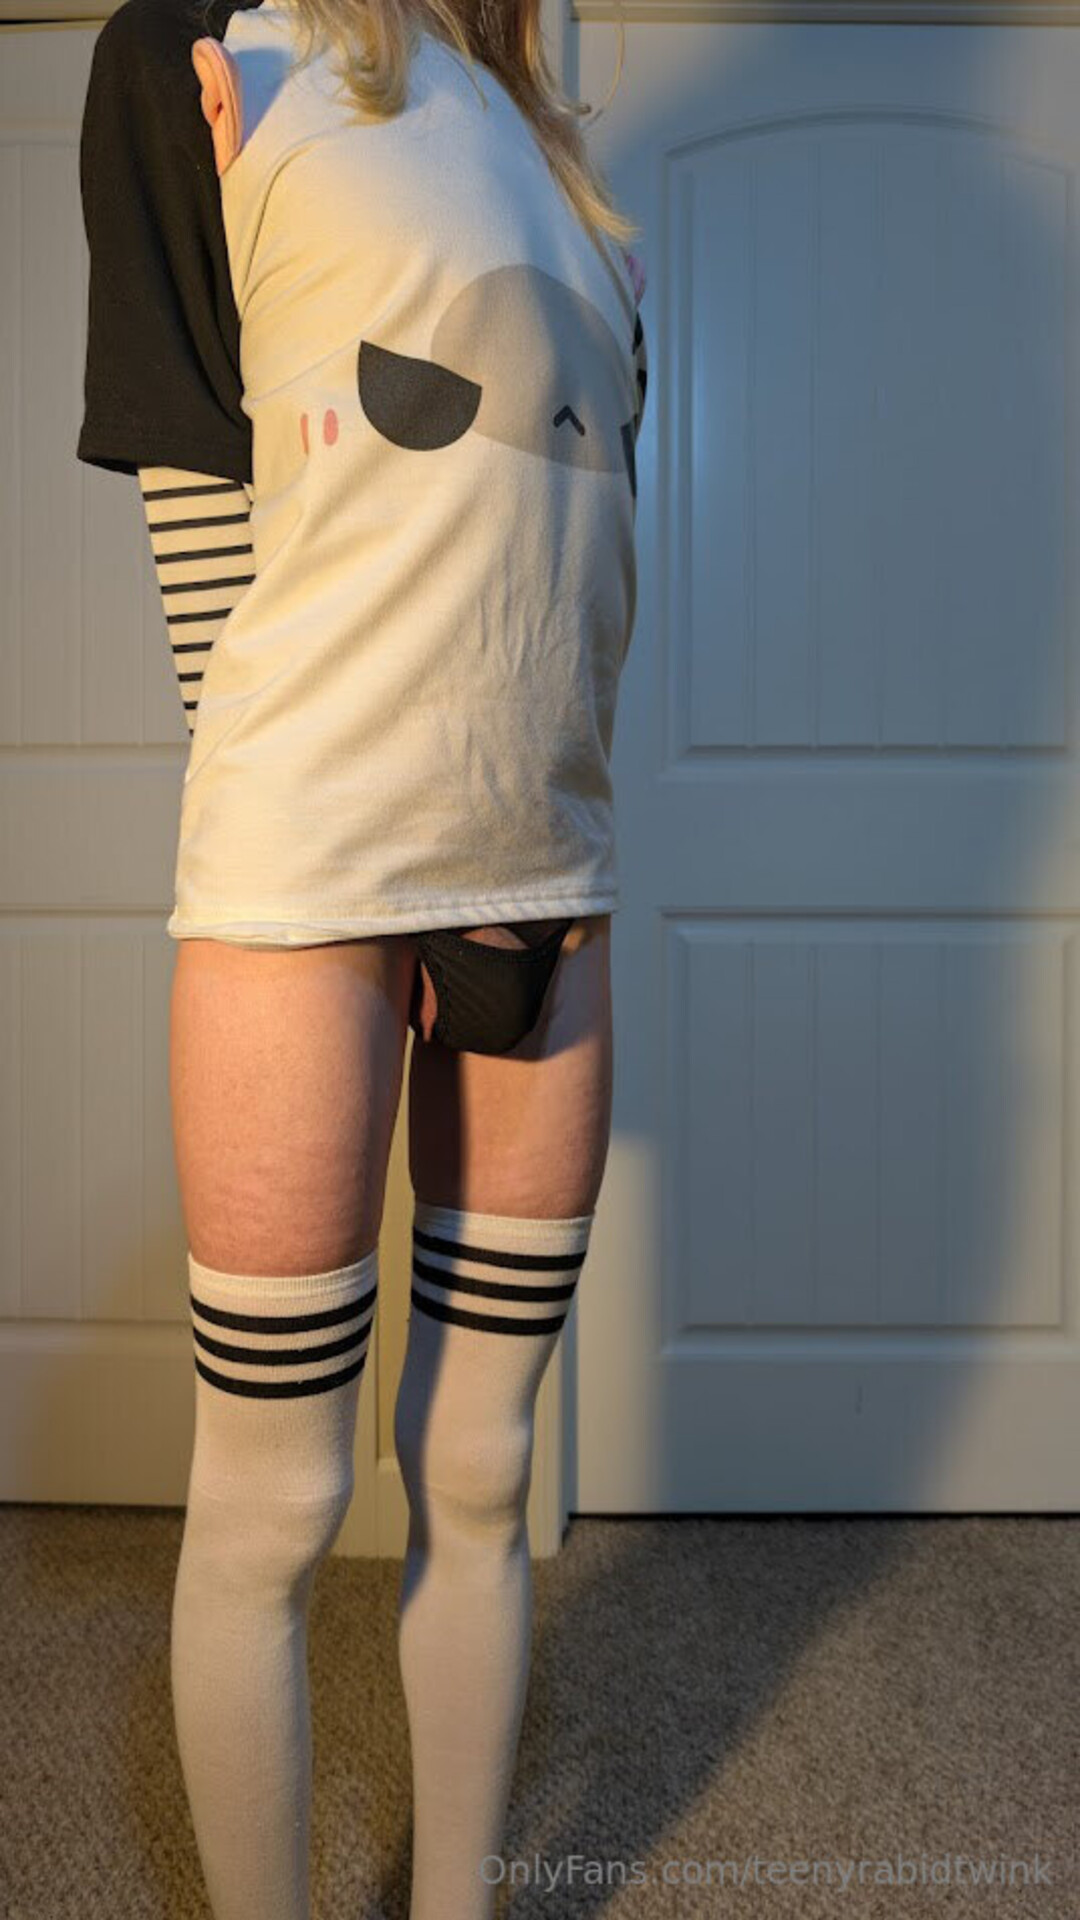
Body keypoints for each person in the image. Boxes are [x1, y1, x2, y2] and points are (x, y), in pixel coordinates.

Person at [76, 0, 647, 1914]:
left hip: (546, 878)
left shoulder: (559, 159)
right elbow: (192, 488)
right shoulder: (201, 48)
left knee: (482, 1470)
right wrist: (298, 830)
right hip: (307, 884)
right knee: (276, 1502)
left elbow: (563, 564)